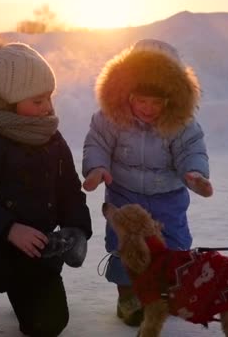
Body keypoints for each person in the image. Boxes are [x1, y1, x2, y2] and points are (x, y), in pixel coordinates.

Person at [0, 29, 92, 337]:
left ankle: (21, 289)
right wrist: (8, 228)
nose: (48, 108)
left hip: (37, 248)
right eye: (38, 100)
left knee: (48, 325)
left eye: (49, 97)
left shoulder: (51, 138)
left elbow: (68, 190)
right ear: (6, 102)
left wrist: (77, 228)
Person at [82, 39, 213, 326]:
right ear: (127, 94)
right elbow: (97, 144)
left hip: (168, 197)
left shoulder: (182, 125)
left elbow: (191, 150)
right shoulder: (110, 119)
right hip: (124, 195)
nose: (148, 108)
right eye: (141, 100)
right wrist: (96, 168)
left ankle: (168, 291)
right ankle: (127, 296)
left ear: (171, 99)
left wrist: (195, 175)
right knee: (124, 246)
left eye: (156, 102)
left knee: (174, 245)